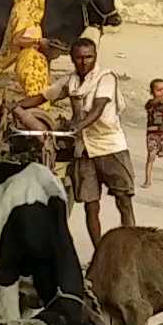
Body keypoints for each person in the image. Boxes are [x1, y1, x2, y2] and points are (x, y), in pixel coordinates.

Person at [10, 37, 133, 247]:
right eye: (79, 58)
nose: (84, 62)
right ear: (72, 59)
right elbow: (43, 97)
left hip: (110, 147)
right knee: (90, 205)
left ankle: (131, 248)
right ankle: (100, 252)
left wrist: (79, 125)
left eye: (89, 57)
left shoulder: (106, 78)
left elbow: (98, 108)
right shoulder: (71, 81)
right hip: (83, 149)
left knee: (124, 201)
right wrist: (16, 105)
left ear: (95, 57)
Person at [0, 0, 52, 106]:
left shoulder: (33, 22)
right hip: (28, 63)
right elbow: (16, 40)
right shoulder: (23, 20)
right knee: (35, 98)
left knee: (42, 97)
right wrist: (37, 41)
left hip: (36, 62)